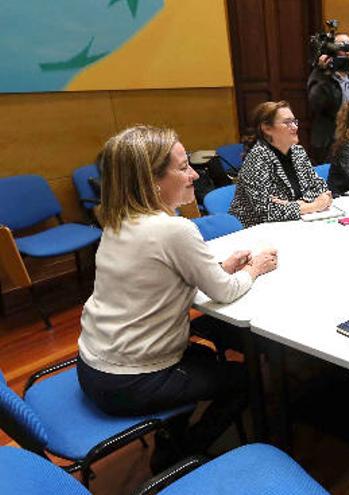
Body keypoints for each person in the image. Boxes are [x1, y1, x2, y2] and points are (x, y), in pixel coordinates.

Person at [76, 125, 278, 472]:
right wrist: (255, 268)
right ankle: (180, 457)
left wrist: (221, 266)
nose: (195, 174)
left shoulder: (118, 222)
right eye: (183, 167)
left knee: (202, 354)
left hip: (94, 365)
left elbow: (159, 278)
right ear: (151, 179)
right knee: (245, 378)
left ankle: (170, 437)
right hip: (129, 380)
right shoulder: (174, 230)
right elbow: (226, 291)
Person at [229, 101, 332, 227]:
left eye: (295, 121)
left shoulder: (298, 152)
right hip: (257, 231)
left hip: (295, 223)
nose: (295, 127)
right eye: (287, 122)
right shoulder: (257, 159)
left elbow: (321, 189)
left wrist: (296, 204)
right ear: (267, 128)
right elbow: (267, 211)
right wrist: (313, 205)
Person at [307, 33, 349, 163]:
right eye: (342, 48)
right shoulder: (321, 77)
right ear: (331, 52)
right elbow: (317, 103)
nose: (347, 53)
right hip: (329, 141)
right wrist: (321, 72)